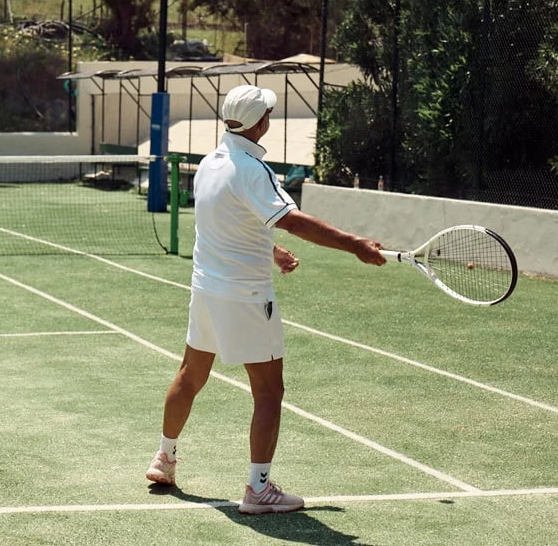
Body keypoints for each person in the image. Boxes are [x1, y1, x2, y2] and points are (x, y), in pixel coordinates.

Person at [145, 84, 386, 514]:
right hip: (246, 296)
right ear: (260, 123)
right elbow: (291, 220)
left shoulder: (210, 164)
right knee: (269, 392)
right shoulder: (254, 169)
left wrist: (268, 250)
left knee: (190, 375)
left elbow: (227, 219)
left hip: (206, 290)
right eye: (268, 114)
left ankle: (165, 457)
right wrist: (354, 245)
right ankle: (258, 490)